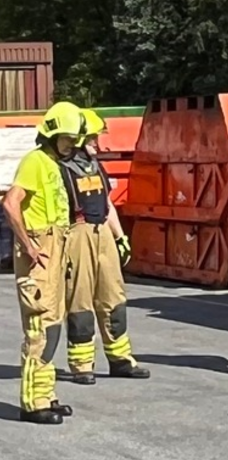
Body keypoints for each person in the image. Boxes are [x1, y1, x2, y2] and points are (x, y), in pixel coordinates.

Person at [1, 102, 82, 424]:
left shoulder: (52, 164)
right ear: (52, 135)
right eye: (68, 139)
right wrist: (27, 243)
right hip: (41, 254)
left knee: (52, 327)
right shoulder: (35, 161)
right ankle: (32, 403)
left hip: (55, 249)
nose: (73, 145)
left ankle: (46, 394)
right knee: (39, 330)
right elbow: (10, 203)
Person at [59, 109, 148, 384]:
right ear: (79, 138)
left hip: (103, 234)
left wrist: (120, 238)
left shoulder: (96, 166)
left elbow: (108, 205)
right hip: (78, 233)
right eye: (93, 138)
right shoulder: (60, 169)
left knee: (114, 298)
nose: (97, 144)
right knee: (81, 301)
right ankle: (82, 364)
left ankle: (121, 359)